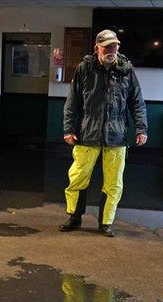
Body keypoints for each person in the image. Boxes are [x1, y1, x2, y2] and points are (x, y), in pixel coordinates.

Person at [59, 29, 147, 238]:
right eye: (107, 46)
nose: (111, 50)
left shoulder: (126, 70)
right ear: (97, 48)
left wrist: (142, 128)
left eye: (115, 46)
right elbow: (72, 102)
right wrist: (68, 129)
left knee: (114, 183)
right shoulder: (84, 69)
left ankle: (106, 222)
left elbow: (137, 102)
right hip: (87, 135)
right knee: (78, 177)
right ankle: (74, 216)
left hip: (117, 137)